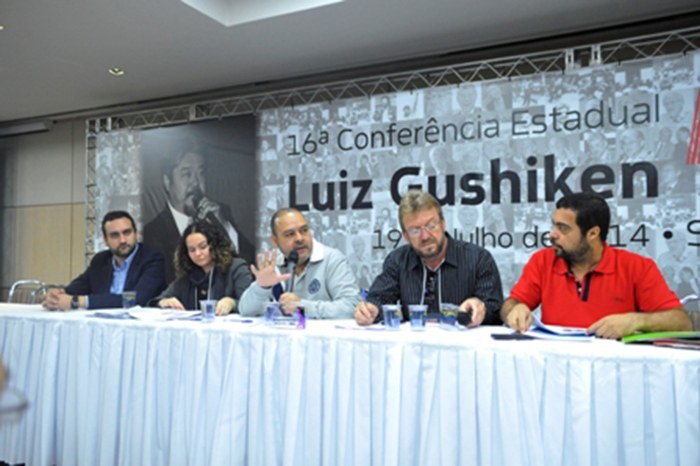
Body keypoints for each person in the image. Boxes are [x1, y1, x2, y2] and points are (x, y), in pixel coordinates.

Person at [501, 193, 691, 339]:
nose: (552, 234)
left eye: (563, 228)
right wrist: (515, 309)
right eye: (554, 226)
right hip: (556, 366)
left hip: (616, 368)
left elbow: (682, 322)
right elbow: (509, 305)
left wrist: (635, 321)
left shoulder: (637, 266)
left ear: (592, 233)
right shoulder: (542, 261)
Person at [354, 190, 504, 327]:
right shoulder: (398, 260)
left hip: (462, 345)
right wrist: (371, 309)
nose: (425, 236)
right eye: (415, 231)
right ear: (406, 236)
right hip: (413, 345)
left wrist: (481, 308)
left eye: (431, 226)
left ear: (443, 224)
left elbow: (496, 310)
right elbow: (379, 298)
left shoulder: (478, 259)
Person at [143, 141, 253, 282]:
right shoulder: (152, 234)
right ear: (167, 182)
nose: (195, 183)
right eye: (186, 174)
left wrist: (225, 227)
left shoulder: (220, 214)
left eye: (200, 174)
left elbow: (251, 264)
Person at [238, 208, 360, 318]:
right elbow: (245, 310)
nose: (299, 238)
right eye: (289, 234)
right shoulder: (274, 265)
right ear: (275, 241)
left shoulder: (332, 259)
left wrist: (303, 307)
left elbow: (352, 306)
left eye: (304, 230)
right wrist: (262, 287)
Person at [42, 211, 166, 310]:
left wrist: (77, 301)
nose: (122, 240)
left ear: (136, 234)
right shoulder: (100, 260)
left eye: (127, 233)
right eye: (115, 235)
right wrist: (56, 296)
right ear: (105, 241)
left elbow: (136, 299)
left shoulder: (152, 259)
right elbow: (77, 287)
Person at [153, 221, 252, 313]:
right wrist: (164, 302)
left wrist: (232, 303)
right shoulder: (188, 274)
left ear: (215, 246)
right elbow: (158, 300)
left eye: (203, 247)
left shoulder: (236, 268)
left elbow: (251, 305)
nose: (198, 253)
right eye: (192, 250)